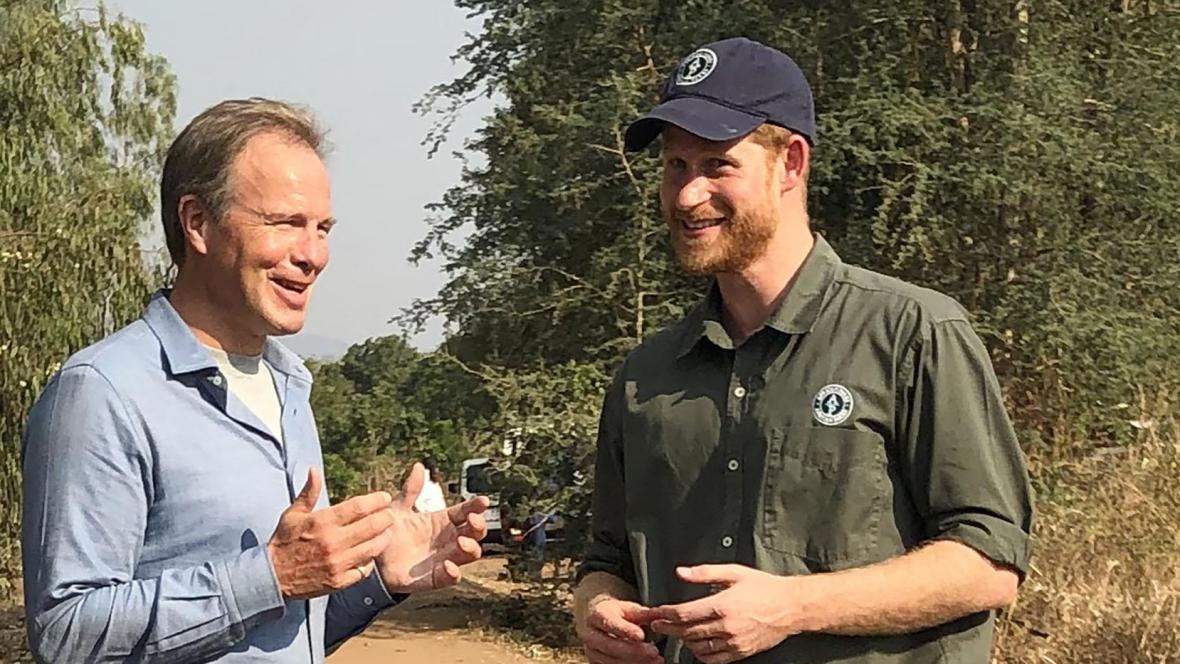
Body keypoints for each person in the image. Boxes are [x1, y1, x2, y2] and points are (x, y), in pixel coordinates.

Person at [573, 38, 1034, 664]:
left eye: (716, 164)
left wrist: (792, 606)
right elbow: (607, 560)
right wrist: (597, 607)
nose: (685, 196)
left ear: (790, 163)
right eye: (675, 166)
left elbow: (990, 561)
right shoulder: (645, 377)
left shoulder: (911, 332)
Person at [20, 98, 490, 664]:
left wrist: (379, 578)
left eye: (322, 228)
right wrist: (269, 576)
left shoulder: (289, 388)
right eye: (286, 223)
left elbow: (278, 639)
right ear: (197, 223)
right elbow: (66, 635)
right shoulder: (104, 392)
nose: (313, 255)